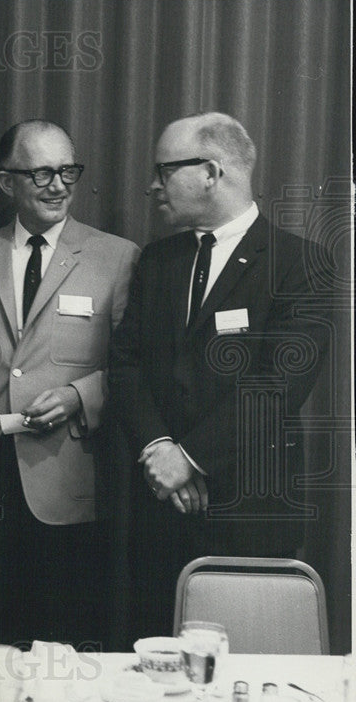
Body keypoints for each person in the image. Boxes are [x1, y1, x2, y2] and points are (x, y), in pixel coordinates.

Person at [109, 112, 331, 639]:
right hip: (159, 508)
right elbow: (126, 365)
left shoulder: (302, 264)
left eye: (165, 171)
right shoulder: (158, 261)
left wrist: (188, 459)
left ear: (211, 172)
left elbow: (276, 388)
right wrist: (160, 449)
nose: (153, 186)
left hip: (248, 515)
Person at [0, 120, 139, 648]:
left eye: (68, 171)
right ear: (7, 182)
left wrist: (81, 395)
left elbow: (132, 367)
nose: (58, 185)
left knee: (58, 638)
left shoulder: (117, 257)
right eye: (42, 173)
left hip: (64, 476)